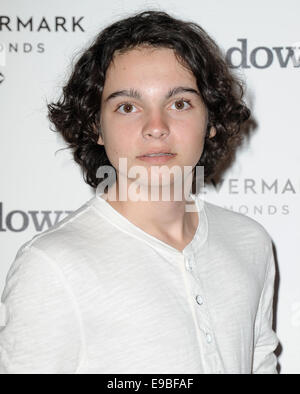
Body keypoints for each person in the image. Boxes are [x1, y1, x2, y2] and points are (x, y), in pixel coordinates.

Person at [0, 10, 279, 374]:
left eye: (179, 103)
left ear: (209, 120)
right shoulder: (53, 265)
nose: (156, 127)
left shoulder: (250, 241)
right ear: (96, 127)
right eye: (127, 107)